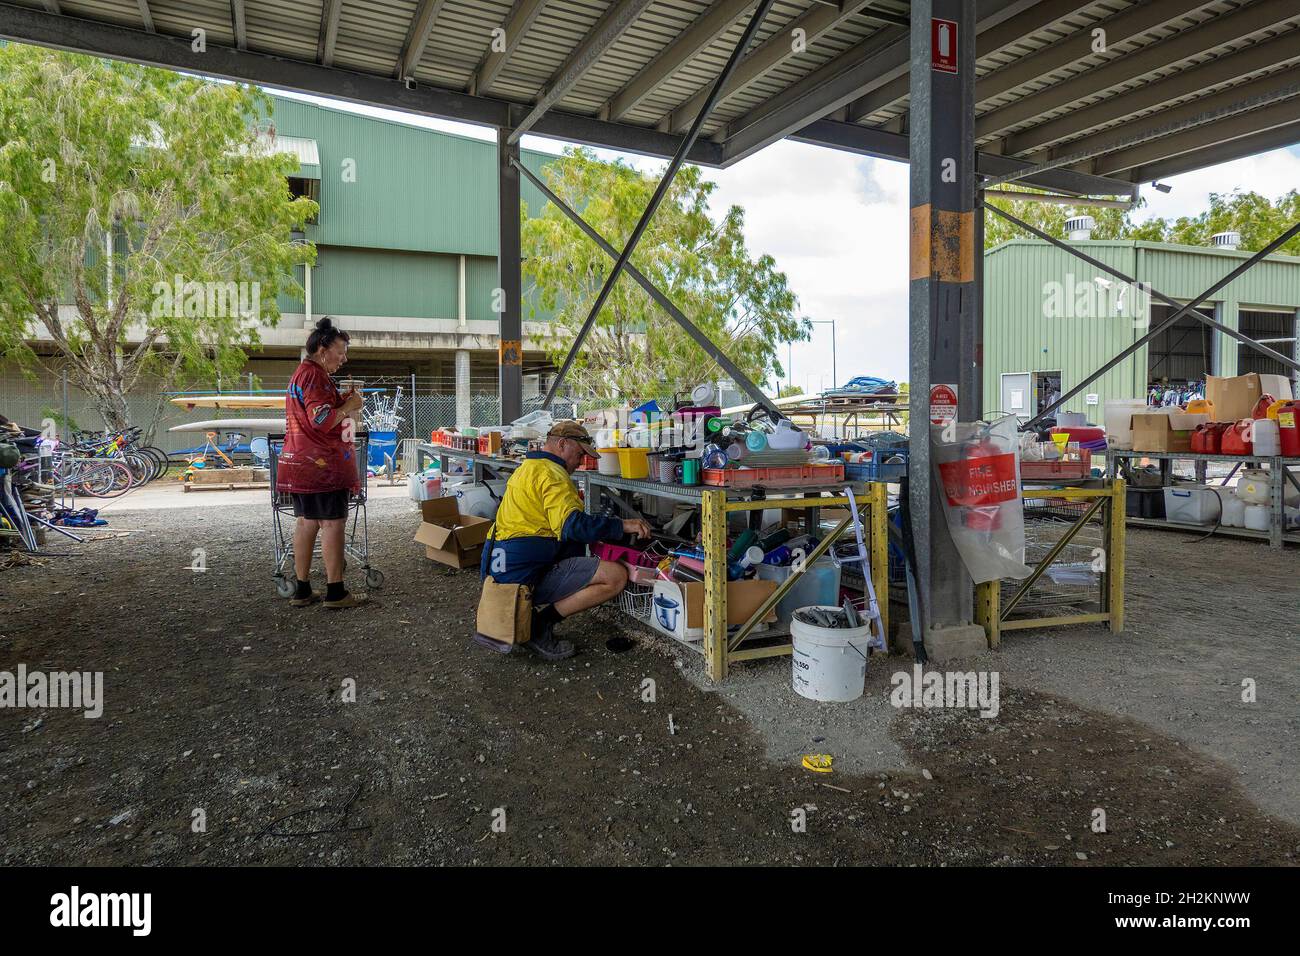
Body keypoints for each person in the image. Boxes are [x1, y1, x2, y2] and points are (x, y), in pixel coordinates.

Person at [474, 420, 651, 661]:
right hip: (522, 581)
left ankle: (529, 618)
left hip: (499, 574)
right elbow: (574, 526)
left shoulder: (527, 468)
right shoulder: (552, 474)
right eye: (579, 454)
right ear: (562, 444)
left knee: (572, 548)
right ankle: (539, 627)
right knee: (615, 576)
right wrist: (622, 525)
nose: (580, 462)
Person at [276, 316, 367, 609]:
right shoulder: (315, 376)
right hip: (322, 466)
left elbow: (316, 411)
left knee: (306, 522)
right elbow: (322, 419)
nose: (344, 358)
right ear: (323, 349)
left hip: (300, 463)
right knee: (332, 523)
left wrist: (340, 401)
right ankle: (336, 591)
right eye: (340, 352)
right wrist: (349, 407)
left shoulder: (301, 374)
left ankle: (302, 589)